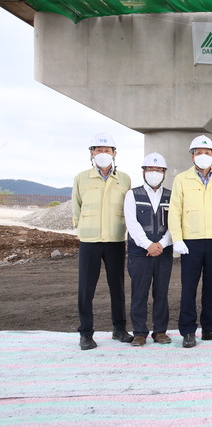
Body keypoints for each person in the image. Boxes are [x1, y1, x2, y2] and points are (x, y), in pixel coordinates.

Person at [72, 133, 133, 350]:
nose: (103, 154)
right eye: (98, 150)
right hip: (90, 240)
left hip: (115, 239)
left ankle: (119, 329)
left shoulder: (124, 179)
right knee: (86, 289)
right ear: (91, 153)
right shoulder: (81, 178)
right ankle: (86, 333)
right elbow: (76, 207)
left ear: (115, 153)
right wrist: (82, 229)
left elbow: (128, 208)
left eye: (107, 150)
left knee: (117, 286)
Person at [169, 135, 212, 348]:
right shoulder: (181, 179)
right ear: (192, 156)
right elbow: (175, 210)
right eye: (198, 152)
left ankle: (210, 328)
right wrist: (177, 238)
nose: (203, 156)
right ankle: (188, 331)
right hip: (191, 241)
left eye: (207, 152)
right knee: (189, 287)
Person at [124, 153, 173, 346]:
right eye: (151, 169)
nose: (155, 173)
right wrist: (148, 245)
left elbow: (175, 223)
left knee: (161, 292)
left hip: (163, 252)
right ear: (144, 172)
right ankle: (139, 333)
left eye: (159, 170)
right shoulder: (132, 195)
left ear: (164, 173)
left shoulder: (171, 196)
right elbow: (132, 223)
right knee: (139, 293)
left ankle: (160, 331)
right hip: (139, 253)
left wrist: (161, 244)